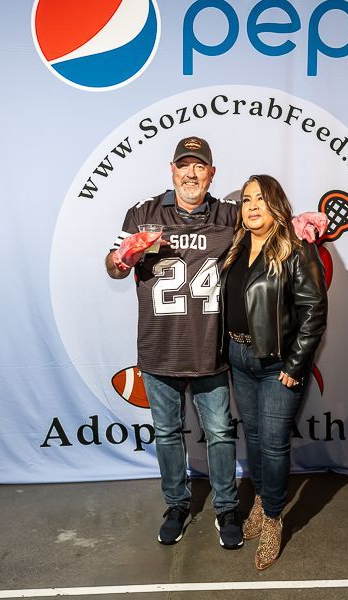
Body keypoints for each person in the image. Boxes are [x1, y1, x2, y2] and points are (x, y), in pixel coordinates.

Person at [105, 136, 244, 549]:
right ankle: (177, 506)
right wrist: (123, 257)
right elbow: (113, 268)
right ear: (172, 170)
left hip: (210, 349)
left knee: (220, 432)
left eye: (199, 166)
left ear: (211, 173)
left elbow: (269, 238)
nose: (191, 174)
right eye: (184, 165)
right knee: (166, 433)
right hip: (159, 348)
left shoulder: (229, 215)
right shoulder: (143, 213)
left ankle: (226, 508)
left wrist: (298, 226)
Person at [220, 174, 328, 570]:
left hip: (278, 365)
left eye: (261, 199)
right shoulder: (236, 247)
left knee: (273, 443)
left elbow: (314, 311)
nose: (252, 206)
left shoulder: (296, 248)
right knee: (253, 437)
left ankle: (272, 518)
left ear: (276, 205)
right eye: (247, 200)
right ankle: (262, 499)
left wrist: (296, 365)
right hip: (238, 358)